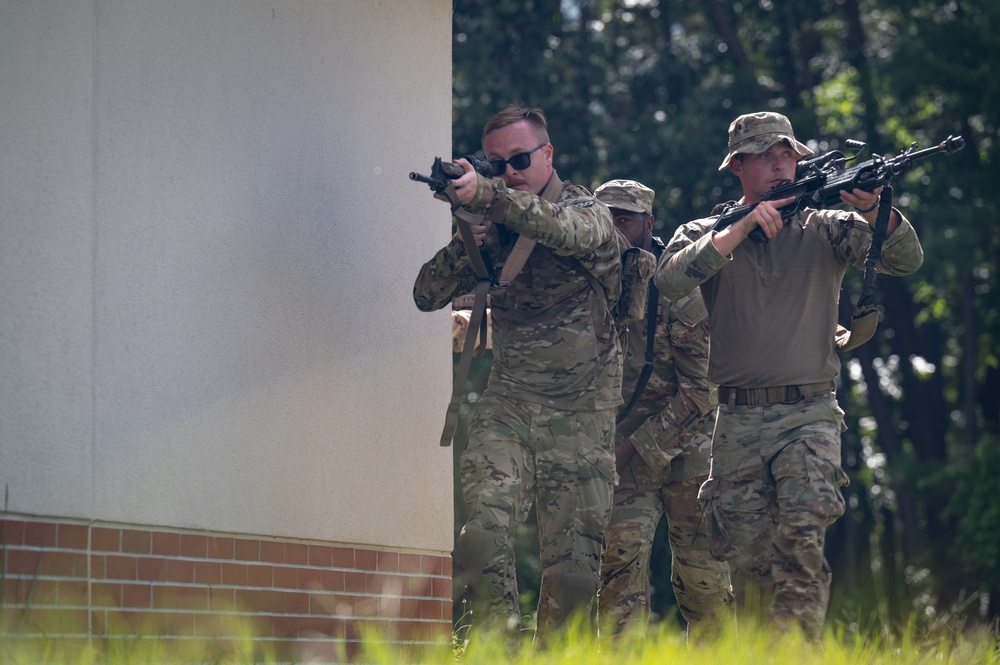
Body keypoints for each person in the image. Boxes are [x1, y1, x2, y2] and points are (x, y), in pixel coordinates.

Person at [655, 112, 924, 640]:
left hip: (809, 415)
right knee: (750, 569)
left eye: (787, 155)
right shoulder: (707, 232)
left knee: (801, 544)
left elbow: (905, 259)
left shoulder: (827, 227)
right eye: (764, 156)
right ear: (737, 167)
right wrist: (742, 228)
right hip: (735, 421)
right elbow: (669, 280)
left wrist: (875, 208)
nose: (781, 165)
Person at [413, 105, 623, 642]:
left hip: (582, 414)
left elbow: (568, 234)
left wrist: (489, 197)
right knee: (482, 536)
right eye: (499, 163)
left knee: (573, 578)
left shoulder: (587, 208)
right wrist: (471, 234)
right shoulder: (497, 223)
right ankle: (491, 648)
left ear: (548, 155)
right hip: (508, 403)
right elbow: (426, 295)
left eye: (522, 158)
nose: (511, 171)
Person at [593, 180, 732, 639]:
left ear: (649, 225)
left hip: (687, 454)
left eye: (625, 219)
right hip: (623, 457)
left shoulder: (676, 288)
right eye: (605, 217)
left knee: (703, 585)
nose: (613, 229)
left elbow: (702, 391)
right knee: (617, 573)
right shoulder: (591, 285)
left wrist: (630, 448)